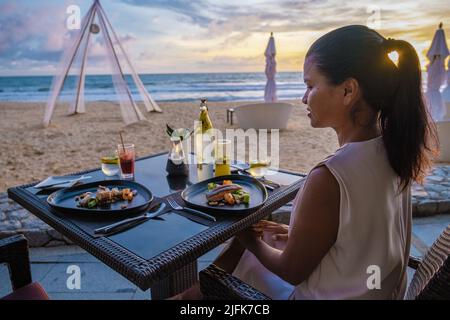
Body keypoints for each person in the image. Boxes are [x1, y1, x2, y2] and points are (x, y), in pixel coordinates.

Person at [173, 25, 438, 300]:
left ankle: (192, 298)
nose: (303, 98)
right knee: (268, 238)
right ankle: (194, 295)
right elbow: (362, 234)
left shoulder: (330, 176)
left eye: (310, 85)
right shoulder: (394, 149)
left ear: (348, 90)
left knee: (241, 250)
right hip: (376, 289)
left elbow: (291, 271)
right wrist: (293, 233)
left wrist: (245, 237)